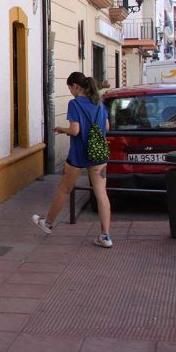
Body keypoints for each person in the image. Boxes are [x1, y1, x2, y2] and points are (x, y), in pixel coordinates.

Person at [32, 71, 113, 248]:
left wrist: (62, 129)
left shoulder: (75, 104)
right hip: (99, 154)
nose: (70, 91)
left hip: (78, 154)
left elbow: (75, 131)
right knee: (101, 194)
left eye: (69, 88)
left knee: (64, 190)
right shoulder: (99, 102)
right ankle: (105, 236)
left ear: (75, 86)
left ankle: (48, 224)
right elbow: (106, 126)